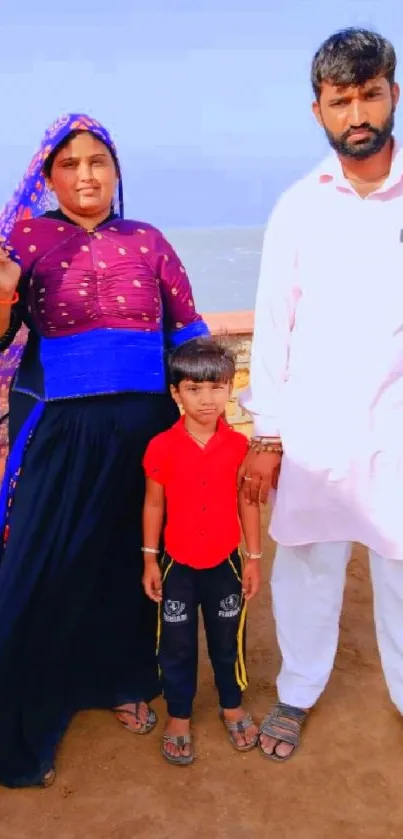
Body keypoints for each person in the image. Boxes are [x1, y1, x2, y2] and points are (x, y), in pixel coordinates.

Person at [0, 113, 209, 788]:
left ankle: (121, 677)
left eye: (98, 161)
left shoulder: (146, 239)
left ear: (116, 172)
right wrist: (4, 288)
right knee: (40, 561)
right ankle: (29, 701)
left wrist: (207, 417)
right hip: (60, 428)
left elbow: (189, 325)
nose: (85, 175)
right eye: (69, 164)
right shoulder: (23, 241)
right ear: (47, 176)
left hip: (145, 426)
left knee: (130, 559)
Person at [239, 27, 403, 761]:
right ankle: (299, 690)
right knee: (306, 564)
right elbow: (273, 330)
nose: (356, 113)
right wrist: (268, 437)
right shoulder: (297, 208)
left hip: (396, 427)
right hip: (315, 431)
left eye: (369, 94)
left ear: (392, 94)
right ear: (318, 112)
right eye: (340, 101)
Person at [142, 337, 261, 765]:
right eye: (194, 388)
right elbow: (154, 503)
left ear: (231, 387)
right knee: (175, 643)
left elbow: (248, 503)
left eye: (216, 387)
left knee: (228, 639)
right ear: (176, 393)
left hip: (225, 563)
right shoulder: (161, 446)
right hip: (177, 564)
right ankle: (178, 715)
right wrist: (150, 559)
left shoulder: (239, 448)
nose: (207, 399)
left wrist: (253, 559)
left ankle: (231, 704)